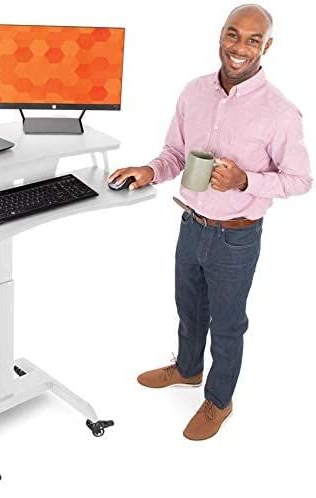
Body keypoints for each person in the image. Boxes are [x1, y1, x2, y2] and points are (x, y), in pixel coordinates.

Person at [108, 4, 312, 440]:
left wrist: (245, 181)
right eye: (233, 35)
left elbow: (300, 180)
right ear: (221, 35)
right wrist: (150, 170)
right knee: (189, 310)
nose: (240, 48)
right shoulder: (193, 92)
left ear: (267, 46)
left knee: (227, 323)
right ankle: (187, 369)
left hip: (236, 237)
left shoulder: (280, 112)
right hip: (190, 224)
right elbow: (175, 155)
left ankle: (219, 400)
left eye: (253, 40)